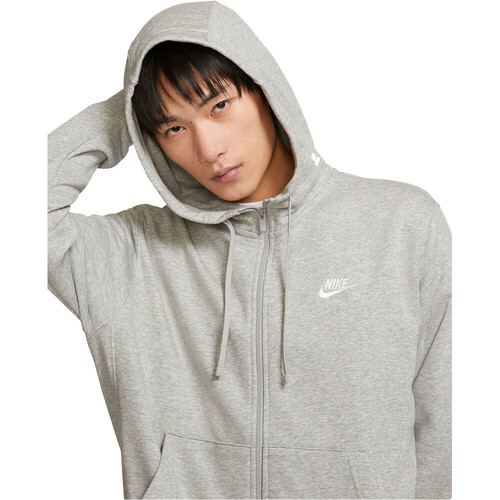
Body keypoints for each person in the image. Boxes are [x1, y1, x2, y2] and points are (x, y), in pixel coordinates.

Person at [47, 1, 452, 499]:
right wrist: (132, 102)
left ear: (264, 88)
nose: (208, 149)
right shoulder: (133, 252)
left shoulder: (401, 224)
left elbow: (442, 420)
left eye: (219, 105)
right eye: (173, 128)